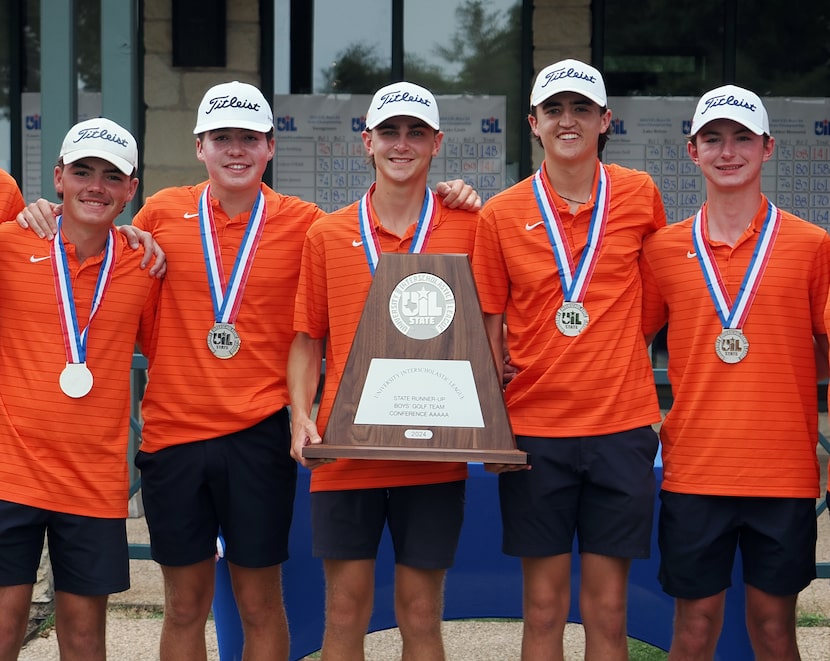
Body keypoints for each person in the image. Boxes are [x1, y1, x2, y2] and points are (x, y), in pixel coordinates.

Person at [21, 80, 479, 660]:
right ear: (199, 147)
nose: (235, 150)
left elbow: (342, 308)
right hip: (172, 438)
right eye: (222, 138)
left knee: (259, 602)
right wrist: (38, 208)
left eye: (249, 139)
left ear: (270, 148)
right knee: (185, 605)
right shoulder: (159, 214)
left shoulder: (307, 224)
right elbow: (92, 241)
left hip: (258, 435)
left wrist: (457, 197)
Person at [471, 58, 667, 660]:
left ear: (606, 120)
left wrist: (609, 351)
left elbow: (656, 298)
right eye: (554, 110)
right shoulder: (500, 213)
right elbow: (489, 325)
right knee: (543, 609)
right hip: (535, 434)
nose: (568, 121)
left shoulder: (638, 195)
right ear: (533, 123)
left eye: (582, 109)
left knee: (608, 613)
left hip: (620, 428)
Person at [288, 81, 480, 660]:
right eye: (390, 132)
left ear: (437, 142)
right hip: (348, 452)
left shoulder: (473, 227)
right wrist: (300, 415)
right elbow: (306, 341)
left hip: (434, 450)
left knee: (421, 612)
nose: (403, 144)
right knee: (345, 610)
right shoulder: (327, 233)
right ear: (366, 142)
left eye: (416, 132)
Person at [640, 85, 830, 660]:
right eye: (713, 139)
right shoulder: (663, 250)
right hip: (695, 470)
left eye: (742, 138)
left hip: (785, 472)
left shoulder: (811, 245)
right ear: (691, 151)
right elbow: (625, 345)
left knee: (773, 630)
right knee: (694, 630)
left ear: (768, 148)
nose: (728, 152)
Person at [0, 118, 160, 661]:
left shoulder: (144, 262)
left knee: (86, 639)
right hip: (9, 473)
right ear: (59, 177)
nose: (97, 185)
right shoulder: (8, 245)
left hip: (93, 479)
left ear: (130, 190)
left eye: (112, 176)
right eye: (83, 171)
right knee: (3, 628)